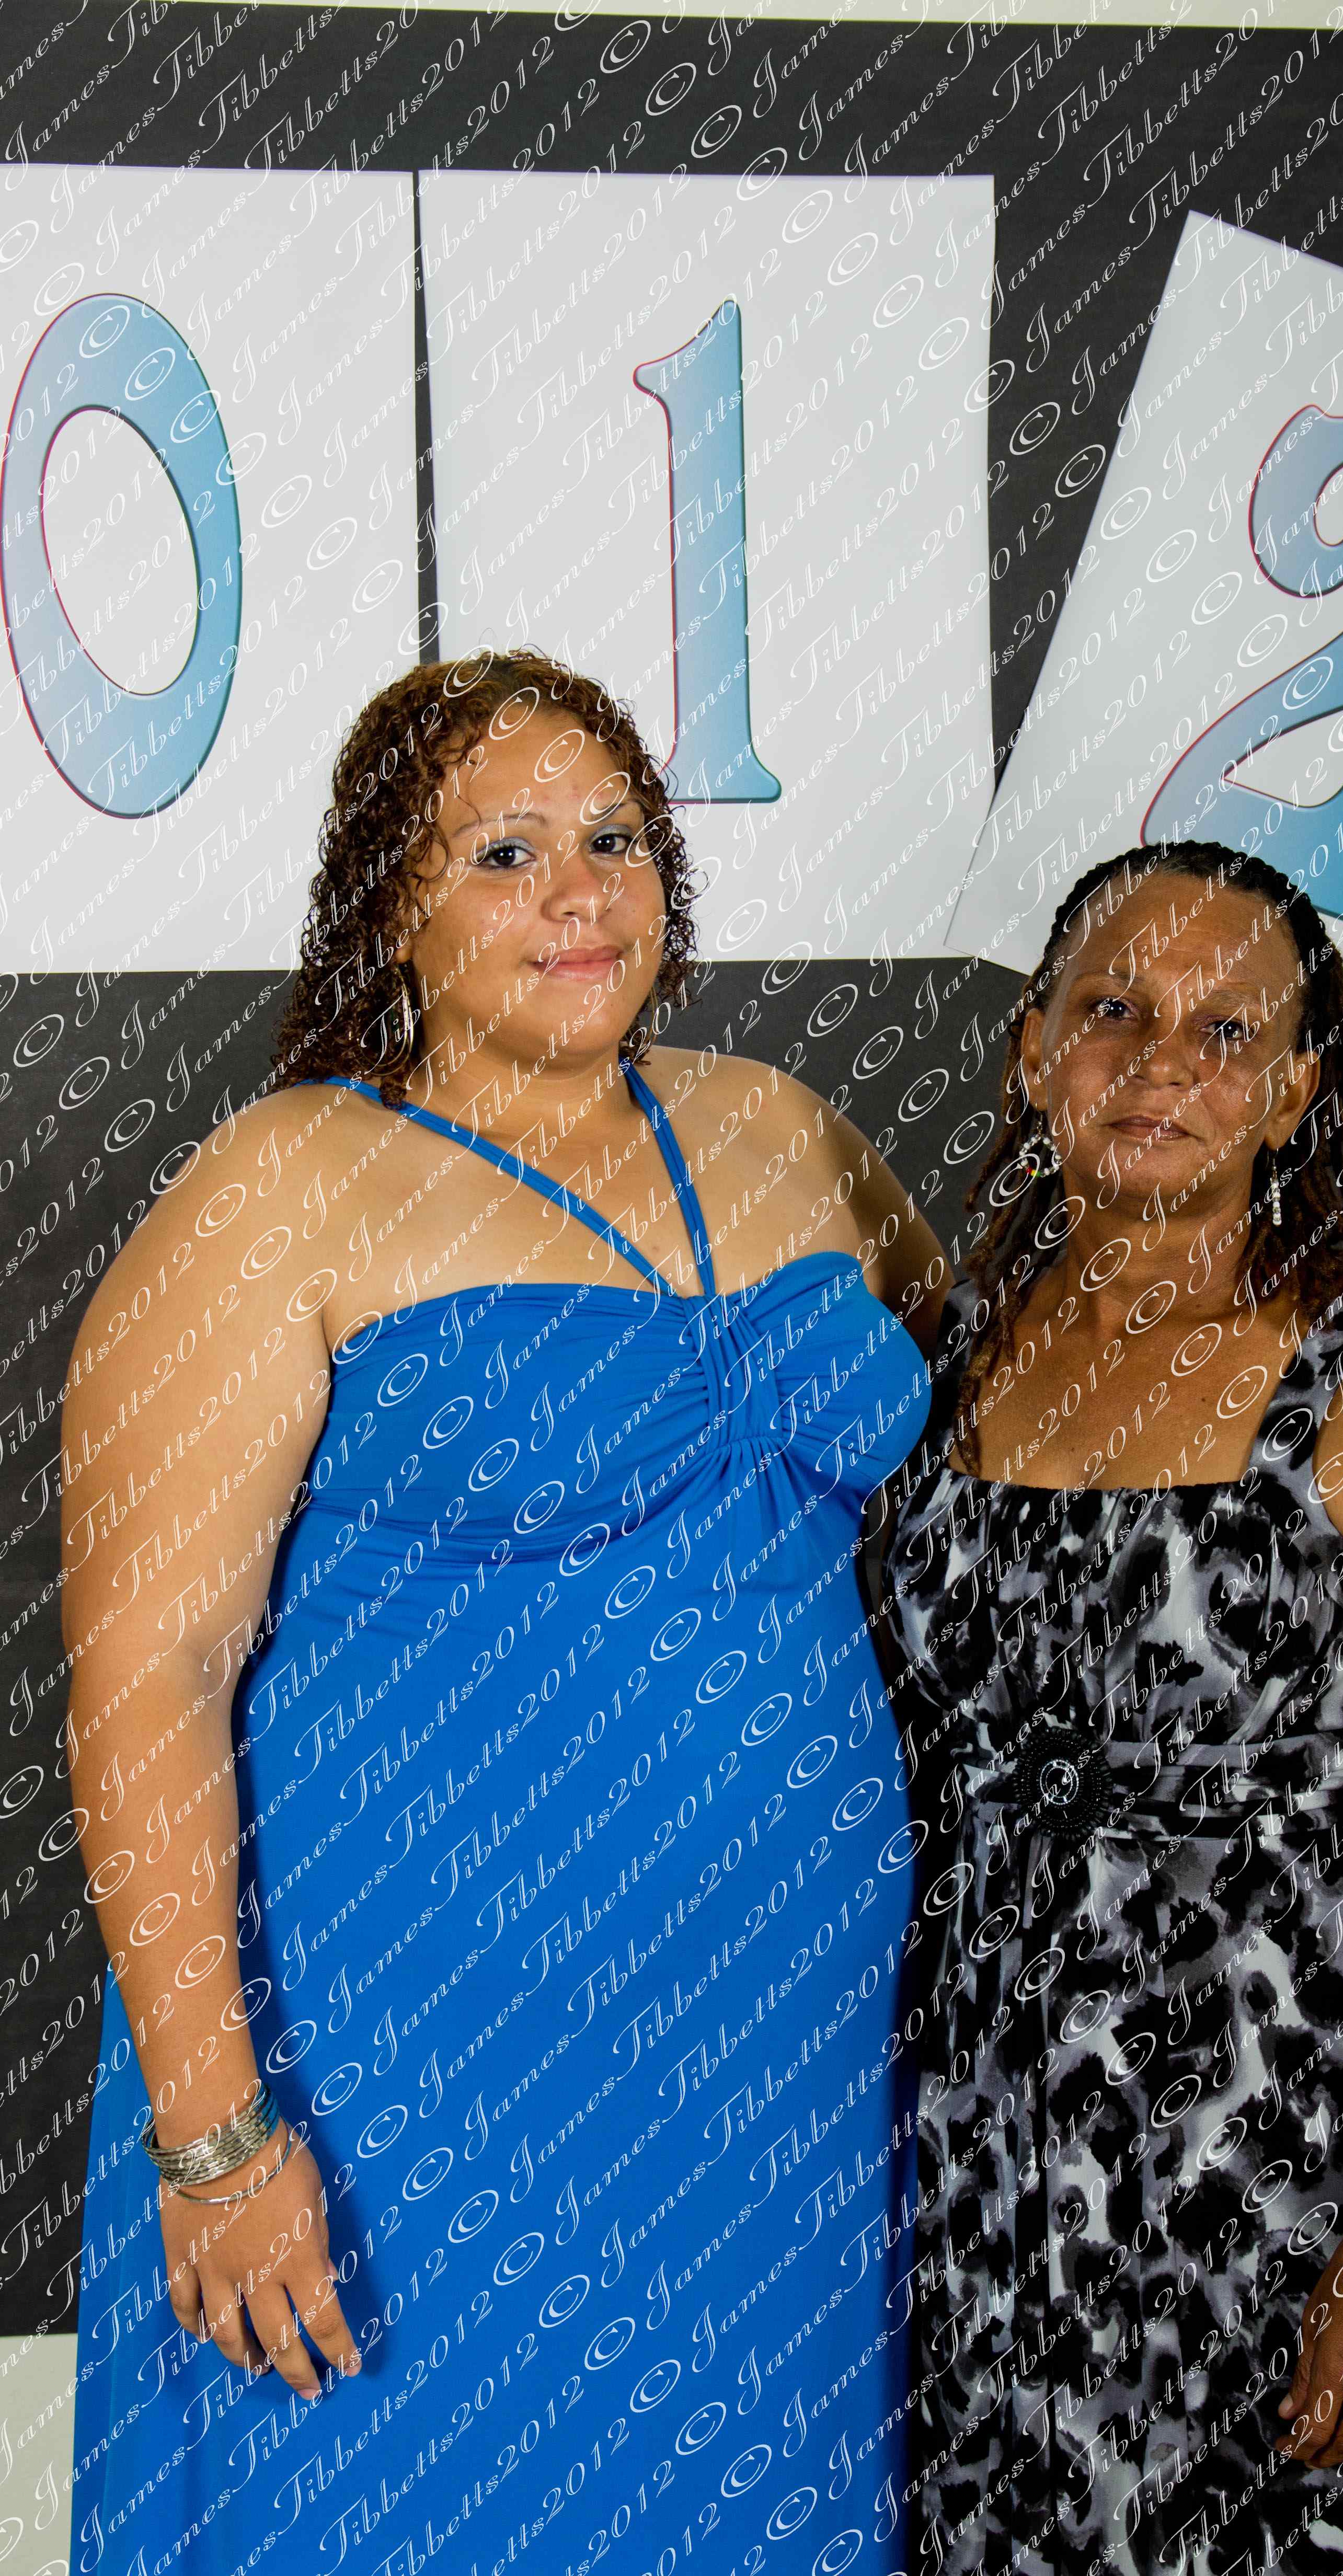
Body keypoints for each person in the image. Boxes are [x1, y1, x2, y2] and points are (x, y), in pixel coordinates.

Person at [64, 648, 948, 2574]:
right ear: (391, 904)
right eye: (505, 854)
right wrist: (214, 2135)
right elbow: (150, 1673)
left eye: (616, 839)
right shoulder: (281, 1186)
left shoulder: (783, 1131)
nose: (579, 895)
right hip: (409, 2084)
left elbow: (983, 1438)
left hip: (771, 2089)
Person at [877, 842, 1343, 2576]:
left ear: (1297, 1090)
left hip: (1295, 2194)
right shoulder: (935, 1367)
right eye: (1116, 1011)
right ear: (1034, 1051)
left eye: (1227, 1029)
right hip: (994, 2206)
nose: (1163, 1062)